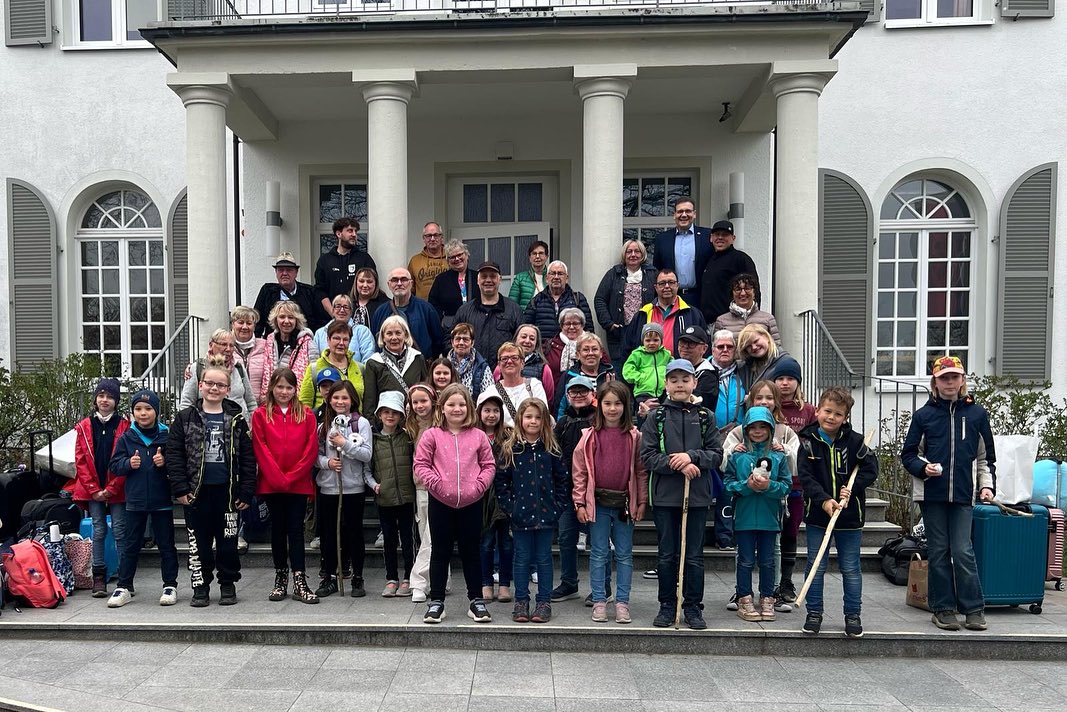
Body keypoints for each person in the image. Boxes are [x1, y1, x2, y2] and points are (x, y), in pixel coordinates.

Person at [901, 355, 996, 633]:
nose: (950, 382)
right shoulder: (923, 416)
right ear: (935, 382)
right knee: (939, 551)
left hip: (964, 496)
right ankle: (943, 609)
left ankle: (974, 609)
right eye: (944, 378)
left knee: (963, 550)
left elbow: (985, 458)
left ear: (963, 380)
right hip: (932, 496)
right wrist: (923, 468)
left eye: (955, 377)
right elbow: (909, 455)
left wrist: (986, 486)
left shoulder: (977, 414)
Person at [640, 359, 723, 630]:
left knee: (694, 554)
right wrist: (677, 464)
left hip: (697, 496)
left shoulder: (706, 417)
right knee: (667, 553)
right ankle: (667, 604)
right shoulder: (656, 417)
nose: (679, 385)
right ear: (666, 384)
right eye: (674, 380)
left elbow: (716, 454)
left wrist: (692, 457)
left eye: (685, 379)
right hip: (665, 496)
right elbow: (648, 456)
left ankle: (692, 606)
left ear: (694, 383)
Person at [167, 362, 257, 607]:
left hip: (228, 493)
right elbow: (174, 455)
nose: (214, 388)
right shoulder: (185, 418)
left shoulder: (237, 419)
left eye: (220, 385)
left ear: (228, 389)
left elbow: (248, 458)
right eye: (209, 383)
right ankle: (200, 586)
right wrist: (180, 488)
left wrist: (246, 491)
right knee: (199, 544)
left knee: (228, 543)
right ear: (200, 385)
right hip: (196, 494)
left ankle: (228, 584)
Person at [797, 386, 879, 637]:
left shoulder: (856, 442)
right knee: (816, 565)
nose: (831, 417)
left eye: (838, 414)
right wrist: (823, 500)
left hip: (849, 516)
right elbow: (806, 478)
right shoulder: (807, 442)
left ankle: (853, 615)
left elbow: (870, 470)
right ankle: (814, 613)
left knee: (851, 568)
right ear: (818, 411)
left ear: (845, 418)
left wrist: (852, 489)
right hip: (818, 516)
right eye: (827, 411)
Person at [413, 384, 497, 624]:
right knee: (440, 552)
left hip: (472, 502)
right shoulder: (432, 435)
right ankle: (437, 602)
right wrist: (436, 484)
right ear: (442, 407)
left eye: (461, 404)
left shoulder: (478, 436)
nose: (456, 409)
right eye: (451, 404)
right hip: (440, 502)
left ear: (468, 407)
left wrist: (479, 486)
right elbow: (421, 464)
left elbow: (489, 465)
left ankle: (476, 601)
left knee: (471, 552)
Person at [572, 381, 648, 625]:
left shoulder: (635, 436)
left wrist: (642, 500)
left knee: (624, 554)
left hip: (625, 503)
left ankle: (622, 602)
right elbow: (580, 471)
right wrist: (579, 502)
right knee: (599, 553)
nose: (612, 408)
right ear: (599, 405)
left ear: (626, 406)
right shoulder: (589, 436)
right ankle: (599, 600)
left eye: (618, 403)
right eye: (607, 403)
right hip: (598, 502)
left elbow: (640, 471)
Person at [721, 380, 800, 613]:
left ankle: (769, 595)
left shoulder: (779, 451)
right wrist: (746, 485)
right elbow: (728, 481)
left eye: (763, 428)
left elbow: (787, 482)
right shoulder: (739, 452)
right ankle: (743, 595)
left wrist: (769, 486)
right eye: (753, 428)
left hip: (770, 516)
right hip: (744, 516)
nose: (758, 431)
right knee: (744, 559)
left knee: (769, 559)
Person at [496, 398, 568, 624]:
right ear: (520, 419)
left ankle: (544, 601)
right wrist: (511, 508)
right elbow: (501, 483)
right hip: (521, 516)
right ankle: (521, 601)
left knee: (544, 559)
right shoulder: (511, 449)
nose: (533, 421)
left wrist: (557, 507)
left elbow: (563, 481)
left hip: (546, 515)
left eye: (538, 417)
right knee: (521, 559)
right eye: (529, 417)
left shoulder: (552, 450)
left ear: (545, 420)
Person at [252, 367, 320, 604]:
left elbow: (311, 449)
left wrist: (292, 477)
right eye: (279, 386)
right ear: (272, 387)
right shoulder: (261, 415)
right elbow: (261, 448)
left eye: (289, 387)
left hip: (298, 484)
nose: (284, 391)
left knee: (296, 530)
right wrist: (278, 478)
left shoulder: (306, 414)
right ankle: (280, 577)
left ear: (295, 389)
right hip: (272, 484)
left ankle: (300, 579)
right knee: (278, 530)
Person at [106, 389, 177, 608]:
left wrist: (164, 463)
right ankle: (124, 586)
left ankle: (170, 585)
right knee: (131, 545)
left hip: (162, 500)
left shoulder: (167, 436)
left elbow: (178, 463)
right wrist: (128, 464)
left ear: (156, 411)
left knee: (166, 545)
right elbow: (114, 465)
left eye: (148, 409)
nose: (143, 413)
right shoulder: (127, 437)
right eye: (138, 409)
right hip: (135, 501)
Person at [315, 380, 376, 599]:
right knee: (329, 534)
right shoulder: (323, 425)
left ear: (352, 400)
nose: (340, 402)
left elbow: (366, 454)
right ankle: (330, 576)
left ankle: (357, 576)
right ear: (329, 399)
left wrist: (345, 443)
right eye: (336, 397)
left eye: (345, 398)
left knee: (354, 533)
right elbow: (315, 455)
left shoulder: (361, 424)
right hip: (328, 488)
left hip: (353, 488)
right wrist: (327, 463)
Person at [551, 375, 607, 606]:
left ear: (592, 394)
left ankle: (603, 587)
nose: (578, 395)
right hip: (567, 489)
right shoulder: (563, 422)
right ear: (567, 395)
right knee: (566, 538)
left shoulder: (599, 420)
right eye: (573, 392)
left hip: (595, 489)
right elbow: (554, 452)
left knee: (599, 540)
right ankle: (569, 582)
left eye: (583, 391)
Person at [73, 378, 130, 598]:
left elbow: (126, 459)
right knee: (98, 530)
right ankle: (98, 576)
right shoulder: (84, 426)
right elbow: (80, 461)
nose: (105, 400)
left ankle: (125, 577)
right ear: (95, 399)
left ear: (116, 401)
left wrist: (112, 488)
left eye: (110, 397)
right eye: (101, 396)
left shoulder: (124, 425)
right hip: (93, 488)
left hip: (117, 487)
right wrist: (94, 489)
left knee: (120, 531)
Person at [372, 391, 417, 598]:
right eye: (386, 412)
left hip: (407, 497)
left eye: (395, 412)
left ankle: (408, 576)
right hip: (385, 498)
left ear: (401, 415)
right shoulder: (374, 440)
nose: (390, 416)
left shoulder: (408, 437)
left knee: (408, 539)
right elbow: (368, 469)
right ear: (379, 414)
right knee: (389, 539)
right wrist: (374, 485)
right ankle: (391, 578)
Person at [594, 239, 657, 373]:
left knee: (644, 370)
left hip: (645, 333)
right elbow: (600, 299)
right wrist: (609, 324)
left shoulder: (652, 274)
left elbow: (660, 299)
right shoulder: (613, 274)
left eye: (637, 251)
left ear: (642, 254)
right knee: (620, 372)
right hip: (619, 333)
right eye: (629, 251)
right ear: (624, 254)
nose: (633, 255)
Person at [476, 391, 512, 603]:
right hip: (482, 497)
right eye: (487, 410)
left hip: (505, 494)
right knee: (486, 542)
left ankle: (505, 583)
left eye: (496, 411)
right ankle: (486, 583)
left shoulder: (509, 435)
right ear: (479, 412)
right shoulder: (473, 434)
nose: (491, 415)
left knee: (506, 543)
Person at [454, 261, 524, 369]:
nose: (488, 280)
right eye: (484, 276)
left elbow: (522, 343)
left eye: (492, 276)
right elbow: (450, 339)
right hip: (471, 372)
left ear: (499, 280)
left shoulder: (514, 310)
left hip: (504, 373)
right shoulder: (464, 311)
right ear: (478, 280)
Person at [624, 269, 707, 358]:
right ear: (656, 287)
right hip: (647, 366)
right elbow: (627, 347)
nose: (667, 286)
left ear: (677, 285)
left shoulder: (693, 314)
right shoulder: (643, 314)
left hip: (681, 366)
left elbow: (704, 346)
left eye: (671, 282)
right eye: (662, 283)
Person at [405, 383, 438, 603]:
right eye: (415, 402)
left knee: (431, 536)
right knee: (424, 532)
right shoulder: (411, 426)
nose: (419, 405)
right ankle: (438, 579)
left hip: (438, 486)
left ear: (433, 401)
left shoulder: (440, 424)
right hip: (420, 486)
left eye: (423, 401)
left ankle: (418, 581)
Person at [362, 315, 430, 419]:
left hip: (415, 419)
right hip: (387, 421)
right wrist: (372, 423)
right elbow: (369, 399)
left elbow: (426, 389)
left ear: (405, 335)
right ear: (383, 337)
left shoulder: (417, 358)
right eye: (389, 333)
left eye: (398, 333)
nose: (394, 338)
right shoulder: (373, 363)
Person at [179, 328, 257, 418]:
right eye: (223, 344)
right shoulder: (197, 368)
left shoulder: (239, 368)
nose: (228, 349)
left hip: (238, 423)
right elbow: (186, 402)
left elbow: (251, 402)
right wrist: (186, 423)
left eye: (231, 345)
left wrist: (253, 422)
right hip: (205, 423)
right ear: (211, 345)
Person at [652, 197, 713, 311]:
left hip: (700, 299)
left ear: (694, 214)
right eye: (680, 211)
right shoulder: (662, 239)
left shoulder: (708, 236)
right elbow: (657, 270)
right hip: (670, 298)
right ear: (674, 215)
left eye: (688, 211)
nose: (684, 215)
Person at [371, 268, 445, 359]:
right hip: (387, 365)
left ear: (411, 283)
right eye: (394, 280)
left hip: (420, 365)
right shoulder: (380, 312)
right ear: (389, 284)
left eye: (404, 279)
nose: (399, 283)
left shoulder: (426, 309)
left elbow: (438, 341)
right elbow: (377, 342)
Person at [315, 217, 377, 321]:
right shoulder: (324, 261)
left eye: (356, 231)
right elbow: (320, 291)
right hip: (332, 320)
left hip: (359, 319)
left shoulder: (364, 259)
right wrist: (333, 313)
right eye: (350, 231)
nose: (354, 234)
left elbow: (373, 287)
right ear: (338, 234)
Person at [700, 220, 760, 326]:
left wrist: (753, 320)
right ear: (711, 238)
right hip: (708, 323)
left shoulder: (741, 259)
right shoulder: (708, 260)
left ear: (733, 238)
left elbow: (754, 291)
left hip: (733, 323)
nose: (720, 238)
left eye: (725, 235)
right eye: (717, 234)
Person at [253, 251, 327, 337]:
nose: (284, 273)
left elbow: (320, 321)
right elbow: (257, 321)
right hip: (273, 342)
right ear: (276, 272)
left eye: (289, 270)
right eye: (281, 270)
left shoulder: (309, 292)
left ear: (296, 272)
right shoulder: (267, 291)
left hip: (303, 341)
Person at [299, 320, 366, 410]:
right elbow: (304, 404)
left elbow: (366, 403)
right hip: (323, 417)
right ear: (328, 340)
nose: (341, 343)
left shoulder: (361, 368)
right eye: (336, 338)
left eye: (345, 339)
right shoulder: (314, 368)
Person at [258, 301, 316, 404]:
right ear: (276, 319)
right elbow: (266, 372)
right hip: (272, 402)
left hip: (297, 403)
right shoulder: (270, 341)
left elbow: (314, 374)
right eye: (282, 317)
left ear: (297, 320)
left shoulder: (308, 343)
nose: (286, 321)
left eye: (291, 317)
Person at [522, 260, 594, 341]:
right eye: (552, 273)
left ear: (567, 278)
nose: (556, 277)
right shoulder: (536, 301)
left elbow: (589, 330)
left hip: (572, 347)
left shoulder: (578, 299)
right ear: (547, 278)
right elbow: (526, 329)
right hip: (543, 348)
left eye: (560, 274)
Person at [555, 332, 615, 418]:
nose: (590, 353)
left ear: (601, 353)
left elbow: (622, 402)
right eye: (586, 350)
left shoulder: (610, 374)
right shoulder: (568, 376)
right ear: (578, 355)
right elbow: (560, 407)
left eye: (594, 349)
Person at [492, 341, 550, 427]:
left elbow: (543, 416)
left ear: (522, 363)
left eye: (514, 358)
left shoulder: (534, 386)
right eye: (504, 358)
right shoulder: (491, 391)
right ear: (499, 365)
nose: (509, 361)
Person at [713, 273, 781, 344]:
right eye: (738, 289)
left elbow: (776, 347)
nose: (743, 293)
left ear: (754, 293)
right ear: (732, 294)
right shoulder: (721, 321)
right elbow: (717, 348)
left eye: (747, 288)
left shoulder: (768, 319)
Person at [311, 294, 376, 366]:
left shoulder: (362, 332)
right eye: (338, 306)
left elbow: (368, 359)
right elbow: (314, 361)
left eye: (346, 307)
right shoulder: (320, 333)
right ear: (333, 310)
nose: (342, 310)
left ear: (351, 312)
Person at [428, 240, 480, 331]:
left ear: (466, 255)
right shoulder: (441, 280)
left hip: (476, 326)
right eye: (452, 257)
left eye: (459, 255)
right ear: (448, 261)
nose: (457, 259)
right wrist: (441, 323)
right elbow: (433, 305)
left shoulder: (477, 277)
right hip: (450, 328)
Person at [622, 323, 672, 410]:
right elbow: (627, 370)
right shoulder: (637, 354)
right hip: (644, 392)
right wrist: (640, 378)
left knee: (662, 413)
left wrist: (668, 378)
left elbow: (673, 368)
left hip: (663, 391)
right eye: (648, 340)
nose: (651, 343)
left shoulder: (666, 354)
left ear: (661, 340)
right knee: (646, 413)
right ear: (643, 341)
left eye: (655, 340)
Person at [544, 308, 593, 391]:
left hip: (588, 393)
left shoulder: (592, 343)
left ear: (582, 325)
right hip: (557, 393)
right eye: (567, 324)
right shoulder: (550, 346)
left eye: (576, 323)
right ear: (561, 326)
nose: (571, 327)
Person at [504, 324, 555, 399]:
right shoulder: (503, 363)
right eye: (523, 337)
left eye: (532, 339)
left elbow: (549, 398)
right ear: (515, 339)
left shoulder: (544, 368)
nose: (527, 341)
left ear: (536, 343)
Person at [447, 322, 494, 404]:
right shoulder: (444, 365)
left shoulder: (482, 368)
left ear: (472, 343)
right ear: (452, 342)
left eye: (465, 339)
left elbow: (489, 397)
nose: (461, 343)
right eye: (458, 339)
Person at [231, 306, 268, 405]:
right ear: (233, 324)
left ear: (254, 326)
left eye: (249, 323)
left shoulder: (265, 346)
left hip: (261, 406)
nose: (244, 327)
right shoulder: (225, 346)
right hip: (233, 407)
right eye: (240, 322)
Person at [737, 323, 787, 390]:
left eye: (756, 341)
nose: (754, 347)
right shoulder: (744, 368)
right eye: (748, 346)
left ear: (766, 337)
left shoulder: (785, 362)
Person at [408, 221, 449, 299]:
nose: (432, 239)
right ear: (424, 239)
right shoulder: (414, 261)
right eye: (429, 236)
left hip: (447, 306)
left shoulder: (451, 259)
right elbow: (409, 289)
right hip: (422, 306)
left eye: (436, 235)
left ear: (442, 237)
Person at [508, 240, 550, 311]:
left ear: (547, 256)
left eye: (541, 253)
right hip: (526, 317)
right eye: (534, 253)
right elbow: (511, 305)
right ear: (530, 258)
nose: (537, 256)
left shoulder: (552, 278)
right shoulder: (520, 278)